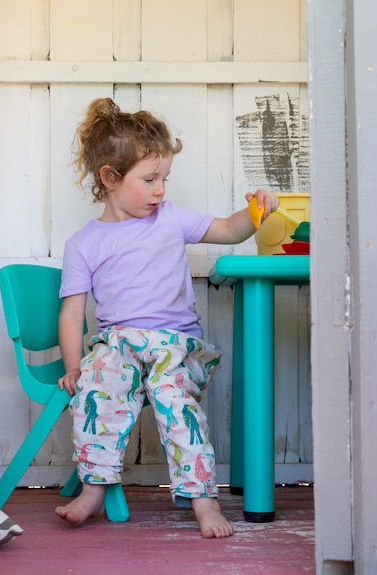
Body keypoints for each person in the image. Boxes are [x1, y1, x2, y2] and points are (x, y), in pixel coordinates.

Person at [54, 97, 279, 539]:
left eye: (164, 179)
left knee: (178, 407)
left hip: (174, 346)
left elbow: (228, 231)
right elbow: (73, 313)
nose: (161, 190)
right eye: (150, 179)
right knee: (96, 393)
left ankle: (203, 500)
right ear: (110, 178)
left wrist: (255, 212)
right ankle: (94, 488)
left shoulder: (170, 219)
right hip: (117, 345)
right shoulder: (84, 244)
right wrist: (73, 367)